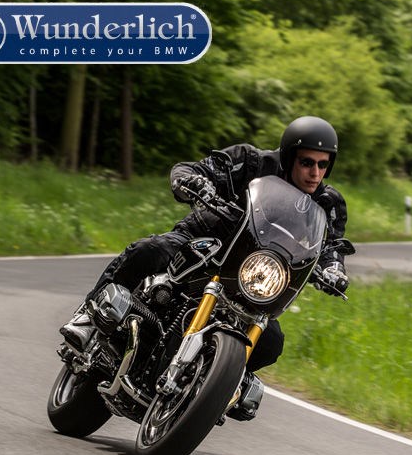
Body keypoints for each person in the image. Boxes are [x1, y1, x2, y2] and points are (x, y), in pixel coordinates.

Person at [60, 116, 350, 405]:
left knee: (271, 342)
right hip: (204, 240)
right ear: (289, 157)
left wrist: (334, 269)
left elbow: (332, 246)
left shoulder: (328, 203)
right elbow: (195, 169)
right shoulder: (251, 162)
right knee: (151, 250)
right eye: (307, 162)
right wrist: (194, 181)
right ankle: (88, 318)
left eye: (323, 165)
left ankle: (216, 381)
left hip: (254, 274)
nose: (315, 172)